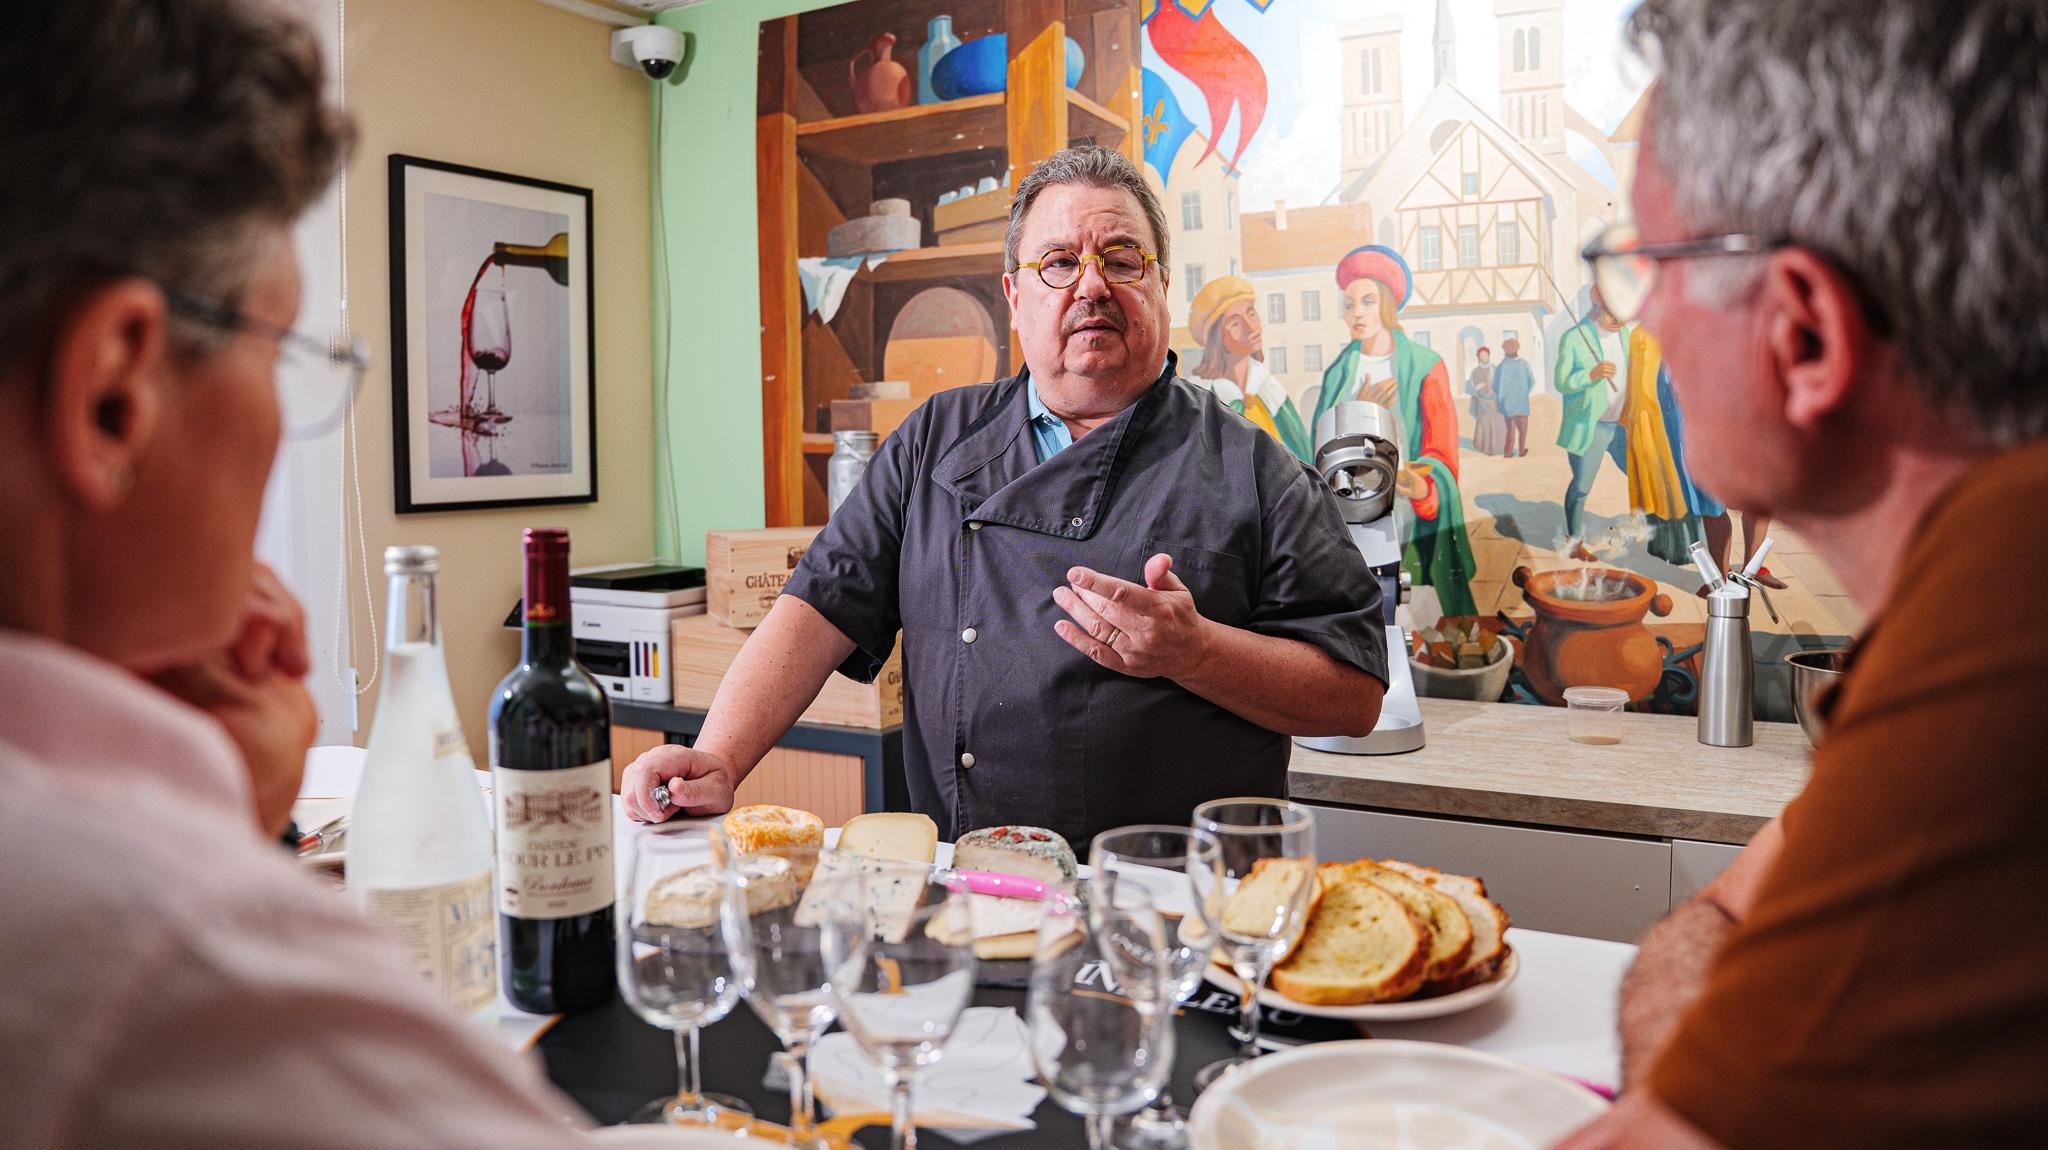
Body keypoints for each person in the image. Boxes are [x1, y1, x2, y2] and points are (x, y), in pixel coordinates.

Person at [0, 4, 608, 1145]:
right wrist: (213, 849)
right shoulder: (178, 957)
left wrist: (230, 804)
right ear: (111, 394)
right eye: (281, 348)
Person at [1558, 2, 2048, 1146]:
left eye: (1655, 266)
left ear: (1805, 336)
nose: (1653, 321)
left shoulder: (2008, 602)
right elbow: (1723, 909)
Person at [624, 146, 1387, 845]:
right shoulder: (934, 438)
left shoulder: (1255, 465)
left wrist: (1197, 652)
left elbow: (1352, 697)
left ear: (1160, 282)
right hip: (975, 891)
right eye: (1059, 262)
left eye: (1121, 259)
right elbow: (818, 607)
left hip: (1173, 908)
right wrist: (717, 756)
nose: (1091, 283)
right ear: (1014, 295)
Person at [1310, 245, 1478, 617]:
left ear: (1386, 303)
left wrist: (1422, 487)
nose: (1356, 314)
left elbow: (1441, 455)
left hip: (1405, 513)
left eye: (1367, 302)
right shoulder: (1340, 370)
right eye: (1349, 304)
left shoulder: (1425, 366)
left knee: (1408, 614)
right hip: (1347, 512)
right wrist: (1360, 407)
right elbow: (1318, 444)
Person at [1554, 288, 1687, 561]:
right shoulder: (1574, 338)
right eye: (1611, 312)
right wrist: (1590, 375)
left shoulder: (1626, 335)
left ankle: (1654, 535)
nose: (1618, 319)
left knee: (1641, 477)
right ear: (1595, 306)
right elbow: (1562, 381)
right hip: (1591, 428)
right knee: (1581, 487)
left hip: (1623, 425)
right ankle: (1575, 541)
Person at [1182, 274, 1313, 461]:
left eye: (1251, 314)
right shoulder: (1200, 395)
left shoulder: (1270, 389)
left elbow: (1302, 454)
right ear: (1216, 338)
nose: (1251, 328)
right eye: (1236, 323)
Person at [1494, 336, 1535, 457]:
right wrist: (1523, 393)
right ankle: (1521, 451)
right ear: (1517, 349)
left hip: (1507, 405)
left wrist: (1503, 397)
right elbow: (1532, 381)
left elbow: (1495, 385)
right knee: (1522, 431)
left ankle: (1508, 452)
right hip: (1521, 404)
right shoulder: (1524, 364)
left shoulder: (1501, 366)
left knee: (1509, 430)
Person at [1465, 345, 1507, 457]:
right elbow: (1468, 387)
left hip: (1494, 402)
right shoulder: (1475, 371)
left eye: (1486, 355)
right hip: (1481, 403)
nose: (1484, 357)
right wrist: (1477, 388)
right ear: (1478, 357)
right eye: (1482, 355)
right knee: (1484, 425)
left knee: (1496, 424)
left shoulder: (1495, 369)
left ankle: (1497, 448)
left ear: (1489, 356)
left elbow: (1501, 385)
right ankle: (1483, 447)